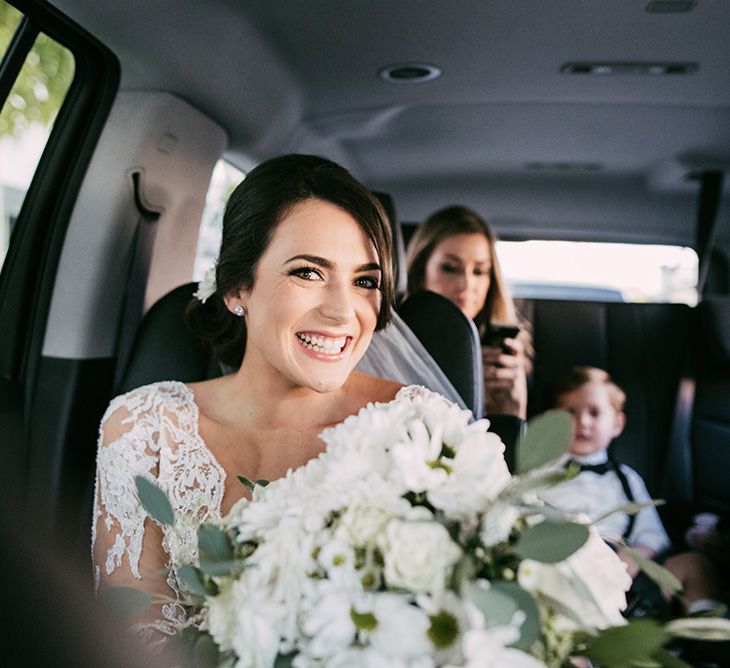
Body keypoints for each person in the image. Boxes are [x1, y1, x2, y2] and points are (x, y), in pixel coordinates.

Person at [91, 154, 446, 647]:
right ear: (239, 287)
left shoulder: (423, 428)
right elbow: (132, 637)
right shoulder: (145, 430)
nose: (344, 310)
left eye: (366, 281)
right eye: (308, 273)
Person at [540, 366, 723, 619]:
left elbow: (653, 535)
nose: (582, 421)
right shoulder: (539, 473)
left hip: (626, 572)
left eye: (594, 413)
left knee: (693, 564)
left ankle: (705, 636)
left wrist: (631, 561)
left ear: (617, 423)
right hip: (567, 571)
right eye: (570, 412)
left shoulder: (627, 479)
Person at [405, 205, 531, 419]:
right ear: (420, 271)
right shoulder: (394, 343)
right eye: (450, 268)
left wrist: (511, 409)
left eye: (479, 271)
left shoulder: (505, 358)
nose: (466, 284)